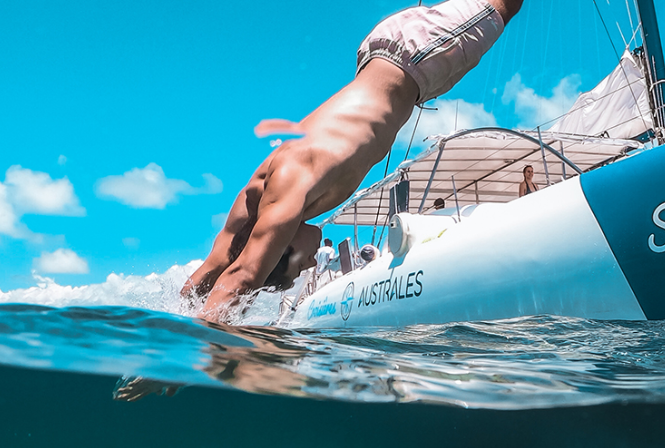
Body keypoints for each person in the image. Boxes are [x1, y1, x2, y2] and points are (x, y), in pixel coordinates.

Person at [181, 0, 523, 323]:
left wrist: (194, 363)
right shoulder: (257, 200)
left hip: (416, 56)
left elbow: (243, 277)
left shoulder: (290, 186)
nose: (312, 265)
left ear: (280, 243)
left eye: (299, 267)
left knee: (505, 5)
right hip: (389, 55)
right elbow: (212, 270)